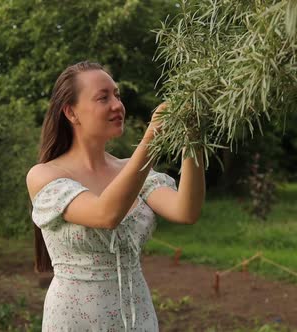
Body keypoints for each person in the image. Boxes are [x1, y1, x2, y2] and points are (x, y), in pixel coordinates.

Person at [26, 61, 205, 331]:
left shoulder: (133, 173)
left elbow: (186, 210)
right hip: (75, 319)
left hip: (137, 317)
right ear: (71, 112)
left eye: (117, 95)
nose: (117, 105)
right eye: (103, 97)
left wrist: (193, 137)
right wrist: (153, 137)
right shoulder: (44, 176)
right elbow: (105, 214)